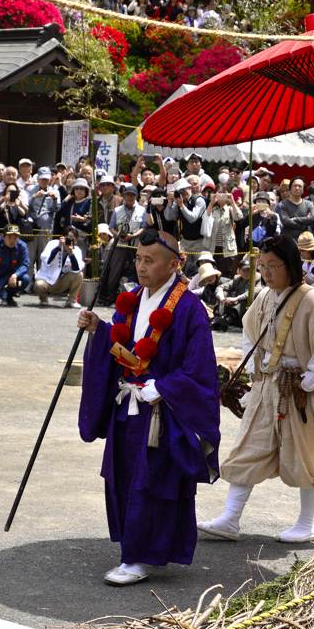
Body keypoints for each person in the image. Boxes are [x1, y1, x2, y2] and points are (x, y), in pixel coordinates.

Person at [76, 229, 221, 585]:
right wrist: (99, 328)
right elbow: (123, 341)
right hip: (128, 403)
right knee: (123, 474)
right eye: (138, 259)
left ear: (174, 264)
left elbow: (200, 368)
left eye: (149, 261)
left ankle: (140, 557)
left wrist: (165, 387)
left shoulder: (189, 308)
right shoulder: (133, 299)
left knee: (152, 480)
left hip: (162, 411)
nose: (141, 267)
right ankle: (132, 546)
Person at [198, 234, 314, 544]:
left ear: (292, 265)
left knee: (308, 454)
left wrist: (312, 378)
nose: (267, 272)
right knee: (249, 447)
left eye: (273, 265)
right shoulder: (264, 297)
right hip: (268, 384)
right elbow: (250, 330)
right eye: (263, 266)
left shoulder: (312, 300)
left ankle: (306, 524)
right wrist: (256, 367)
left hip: (300, 391)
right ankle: (230, 519)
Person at [102, 182, 147, 305]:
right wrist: (118, 235)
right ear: (123, 196)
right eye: (127, 195)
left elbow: (144, 227)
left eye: (133, 195)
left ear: (137, 196)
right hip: (120, 244)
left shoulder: (142, 210)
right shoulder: (117, 210)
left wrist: (133, 235)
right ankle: (109, 299)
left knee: (138, 270)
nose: (130, 197)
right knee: (115, 271)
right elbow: (111, 227)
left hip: (135, 244)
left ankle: (140, 299)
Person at [33, 227, 84, 308]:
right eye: (68, 238)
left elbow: (76, 268)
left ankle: (71, 300)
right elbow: (47, 260)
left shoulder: (77, 250)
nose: (70, 241)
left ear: (76, 241)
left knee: (79, 275)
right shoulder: (52, 244)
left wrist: (71, 253)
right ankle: (43, 298)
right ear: (62, 237)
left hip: (63, 282)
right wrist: (58, 247)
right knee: (38, 285)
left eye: (72, 240)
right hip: (47, 280)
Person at [215, 257, 262, 328]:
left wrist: (237, 298)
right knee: (224, 293)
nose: (247, 273)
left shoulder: (258, 277)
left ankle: (229, 319)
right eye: (244, 270)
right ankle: (220, 317)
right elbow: (221, 287)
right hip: (236, 307)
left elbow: (257, 290)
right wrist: (222, 299)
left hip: (251, 308)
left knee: (246, 298)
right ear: (239, 271)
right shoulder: (237, 279)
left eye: (249, 270)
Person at [276, 177, 314, 241]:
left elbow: (313, 218)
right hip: (288, 240)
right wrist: (304, 225)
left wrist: (295, 219)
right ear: (290, 188)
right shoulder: (283, 204)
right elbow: (286, 221)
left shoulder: (309, 204)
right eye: (295, 186)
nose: (297, 188)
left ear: (303, 190)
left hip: (304, 240)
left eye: (300, 186)